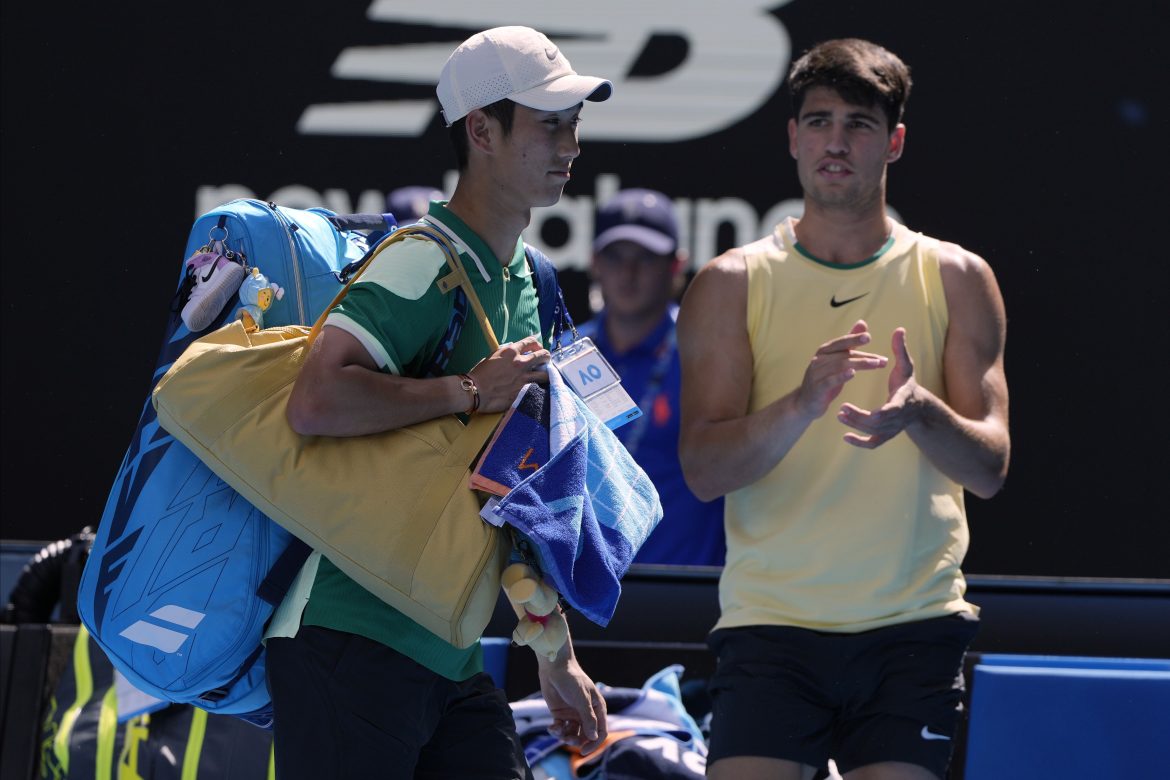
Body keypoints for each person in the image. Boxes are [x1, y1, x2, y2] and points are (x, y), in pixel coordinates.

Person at [267, 26, 613, 779]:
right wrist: (466, 391)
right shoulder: (423, 260)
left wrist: (556, 658)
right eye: (549, 123)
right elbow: (316, 400)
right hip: (348, 633)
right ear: (482, 131)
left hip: (447, 650)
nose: (571, 143)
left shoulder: (538, 283)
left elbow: (524, 491)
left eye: (574, 122)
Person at [676, 38, 1010, 780]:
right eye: (819, 121)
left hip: (914, 630)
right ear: (793, 138)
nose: (836, 141)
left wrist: (922, 411)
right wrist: (800, 404)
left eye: (858, 124)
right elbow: (703, 471)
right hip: (770, 629)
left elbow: (988, 468)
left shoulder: (957, 277)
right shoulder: (729, 284)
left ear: (893, 142)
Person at [577, 188, 725, 567]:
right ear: (595, 263)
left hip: (680, 593)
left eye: (645, 258)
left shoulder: (708, 353)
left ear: (676, 266)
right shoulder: (567, 354)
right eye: (615, 256)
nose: (628, 273)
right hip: (581, 592)